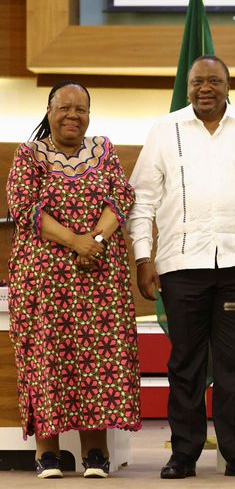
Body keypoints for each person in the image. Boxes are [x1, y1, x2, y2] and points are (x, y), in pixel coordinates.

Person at [128, 55, 235, 479]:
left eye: (214, 80)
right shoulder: (164, 130)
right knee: (186, 364)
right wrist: (144, 257)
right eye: (197, 82)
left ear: (229, 87)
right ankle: (184, 454)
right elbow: (143, 202)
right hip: (182, 264)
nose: (205, 88)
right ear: (187, 86)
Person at [6, 81, 141, 479]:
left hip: (99, 279)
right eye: (64, 107)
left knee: (97, 358)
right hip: (44, 282)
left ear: (89, 114)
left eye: (81, 109)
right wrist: (77, 242)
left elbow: (121, 198)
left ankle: (95, 453)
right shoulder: (30, 154)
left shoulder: (104, 149)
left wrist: (95, 240)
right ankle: (46, 454)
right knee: (46, 357)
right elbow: (25, 208)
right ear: (48, 111)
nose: (72, 115)